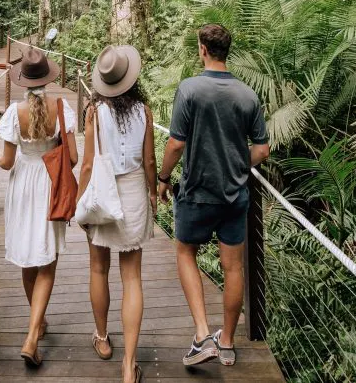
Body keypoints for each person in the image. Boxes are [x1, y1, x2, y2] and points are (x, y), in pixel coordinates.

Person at [157, 24, 270, 367]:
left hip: (196, 192)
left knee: (185, 251)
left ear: (203, 50)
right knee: (233, 268)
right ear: (226, 51)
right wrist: (237, 165)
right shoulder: (248, 94)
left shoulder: (190, 89)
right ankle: (227, 342)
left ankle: (202, 334)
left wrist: (162, 178)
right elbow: (262, 150)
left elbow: (176, 143)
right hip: (235, 196)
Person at [0, 48, 79, 367]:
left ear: (23, 81)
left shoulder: (13, 113)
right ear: (48, 78)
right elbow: (75, 159)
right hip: (50, 183)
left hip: (24, 184)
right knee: (47, 262)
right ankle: (32, 334)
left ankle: (36, 327)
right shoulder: (62, 108)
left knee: (28, 259)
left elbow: (8, 163)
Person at [78, 45, 156, 383]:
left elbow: (88, 163)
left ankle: (102, 337)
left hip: (103, 193)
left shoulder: (94, 112)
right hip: (134, 192)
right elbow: (150, 162)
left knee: (98, 267)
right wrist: (153, 193)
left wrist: (80, 205)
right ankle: (129, 364)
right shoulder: (145, 111)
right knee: (132, 278)